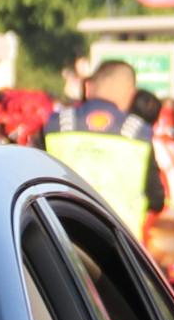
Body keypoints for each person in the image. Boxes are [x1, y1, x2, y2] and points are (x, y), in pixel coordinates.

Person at [43, 59, 165, 229]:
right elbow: (156, 199)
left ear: (88, 87)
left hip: (60, 237)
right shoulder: (139, 133)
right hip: (119, 242)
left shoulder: (56, 124)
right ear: (131, 93)